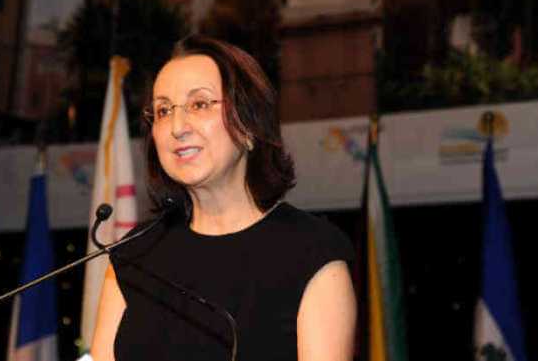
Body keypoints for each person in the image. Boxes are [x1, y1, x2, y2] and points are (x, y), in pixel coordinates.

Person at [91, 35, 356, 361]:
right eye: (163, 110)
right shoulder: (134, 254)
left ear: (249, 125)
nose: (177, 127)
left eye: (199, 104)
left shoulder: (312, 252)